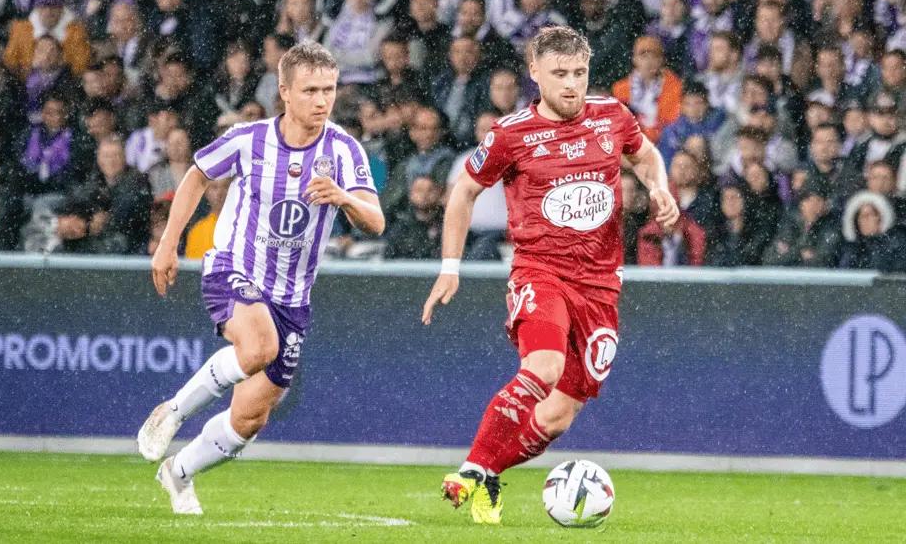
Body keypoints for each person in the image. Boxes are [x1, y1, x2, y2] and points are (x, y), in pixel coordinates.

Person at [421, 26, 678, 525]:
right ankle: (472, 470)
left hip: (601, 286)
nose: (571, 85)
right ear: (534, 73)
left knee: (558, 416)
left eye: (579, 73)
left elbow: (645, 155)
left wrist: (660, 187)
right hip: (542, 274)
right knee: (543, 367)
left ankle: (489, 473)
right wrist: (450, 267)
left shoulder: (611, 116)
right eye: (559, 74)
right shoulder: (512, 134)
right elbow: (463, 192)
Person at [136, 42, 384, 515]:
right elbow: (195, 176)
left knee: (250, 418)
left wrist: (343, 198)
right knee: (257, 348)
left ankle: (179, 471)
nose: (321, 100)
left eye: (328, 90)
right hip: (235, 267)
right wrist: (168, 244)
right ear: (284, 93)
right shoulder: (249, 139)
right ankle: (172, 411)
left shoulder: (344, 150)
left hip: (292, 296)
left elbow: (375, 222)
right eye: (310, 90)